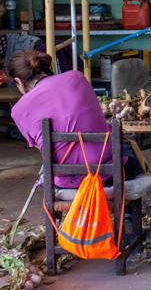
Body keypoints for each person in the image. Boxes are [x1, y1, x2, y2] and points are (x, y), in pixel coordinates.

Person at [8, 50, 140, 187]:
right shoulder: (77, 78)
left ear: (18, 81)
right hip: (113, 173)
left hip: (68, 182)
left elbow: (42, 148)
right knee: (127, 147)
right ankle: (124, 208)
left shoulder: (18, 110)